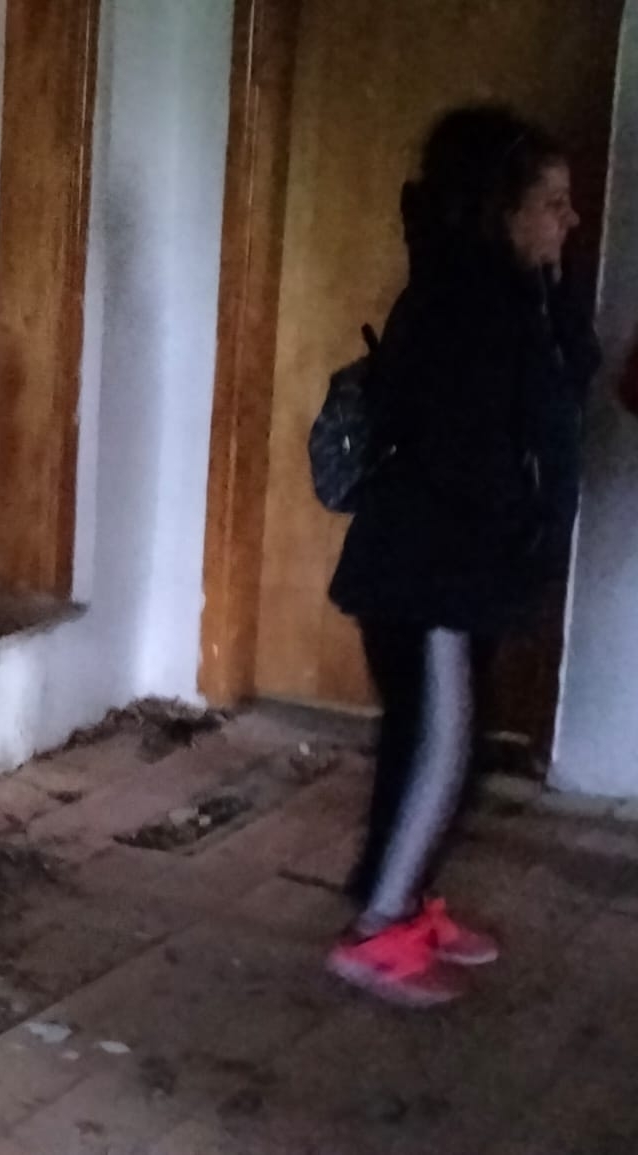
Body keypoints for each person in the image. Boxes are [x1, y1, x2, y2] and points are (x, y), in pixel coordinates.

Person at [327, 105, 598, 1007]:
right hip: (430, 575)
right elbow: (467, 453)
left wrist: (556, 284)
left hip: (459, 571)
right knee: (442, 748)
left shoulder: (516, 293)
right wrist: (518, 523)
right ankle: (376, 931)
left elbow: (569, 379)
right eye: (552, 203)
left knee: (434, 743)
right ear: (500, 208)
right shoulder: (459, 307)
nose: (570, 219)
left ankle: (397, 898)